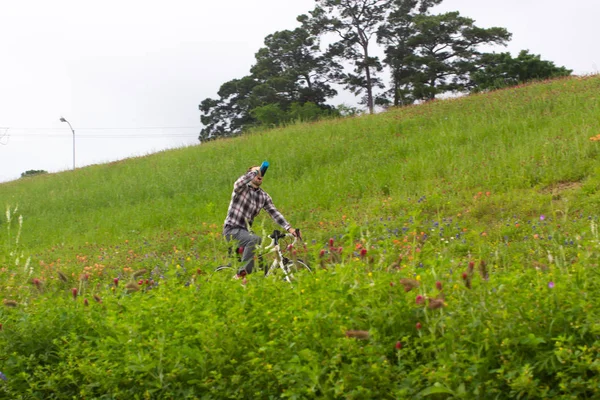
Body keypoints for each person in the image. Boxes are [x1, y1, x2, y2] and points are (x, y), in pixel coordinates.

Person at [223, 165, 297, 278]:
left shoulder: (263, 196)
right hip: (232, 230)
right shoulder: (241, 188)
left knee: (262, 266)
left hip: (246, 233)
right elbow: (238, 183)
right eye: (256, 172)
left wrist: (289, 228)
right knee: (254, 240)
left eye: (261, 173)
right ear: (249, 175)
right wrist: (254, 171)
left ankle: (258, 282)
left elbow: (274, 213)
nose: (260, 174)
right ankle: (242, 275)